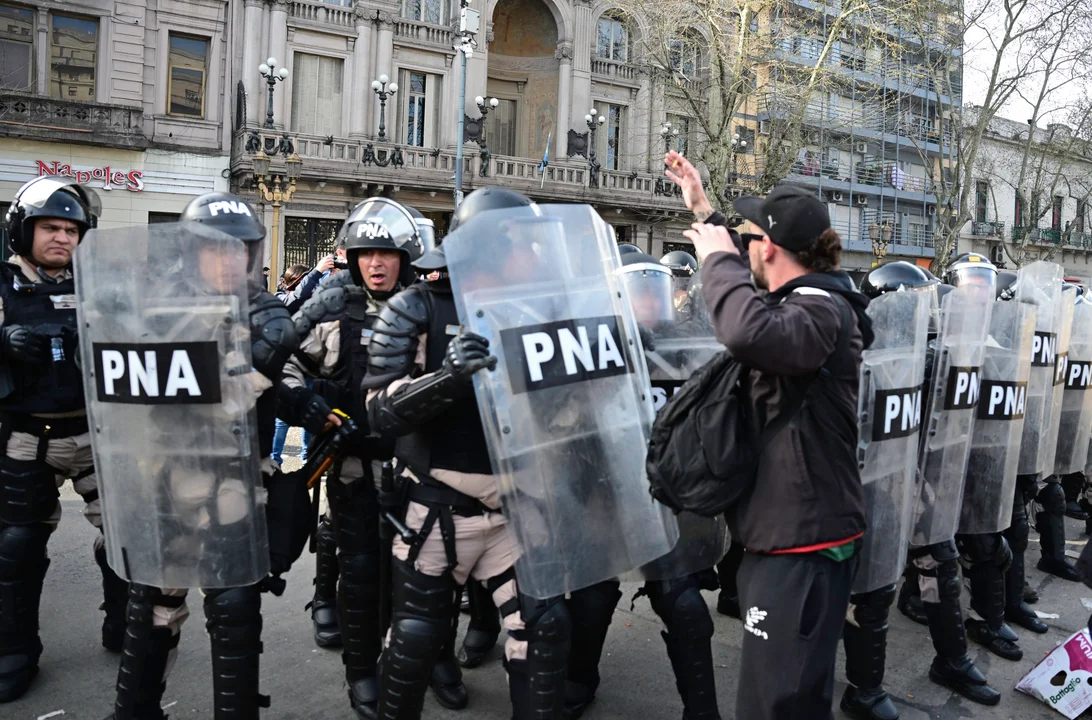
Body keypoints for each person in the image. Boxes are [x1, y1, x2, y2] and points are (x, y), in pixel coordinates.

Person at [103, 192, 340, 719]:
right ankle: (135, 711)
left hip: (236, 480)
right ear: (191, 253)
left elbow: (267, 379)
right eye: (215, 249)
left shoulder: (266, 311)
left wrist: (304, 402)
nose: (229, 259)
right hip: (166, 476)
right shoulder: (156, 303)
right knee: (154, 607)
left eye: (241, 250)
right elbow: (109, 366)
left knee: (234, 607)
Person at [363, 187, 570, 720]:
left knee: (544, 632)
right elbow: (380, 414)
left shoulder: (537, 307)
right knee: (413, 641)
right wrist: (448, 378)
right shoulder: (416, 306)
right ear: (489, 245)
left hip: (516, 507)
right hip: (435, 508)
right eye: (523, 242)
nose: (533, 254)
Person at [673, 161, 870, 717]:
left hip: (803, 544)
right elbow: (752, 300)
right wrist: (702, 209)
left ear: (773, 248)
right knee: (785, 696)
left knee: (776, 703)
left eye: (750, 236)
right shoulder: (811, 301)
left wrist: (713, 257)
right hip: (788, 536)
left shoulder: (821, 311)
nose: (742, 245)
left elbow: (745, 330)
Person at [286, 198, 469, 718]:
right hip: (354, 468)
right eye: (366, 253)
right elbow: (285, 366)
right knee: (363, 574)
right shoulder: (333, 310)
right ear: (352, 257)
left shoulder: (431, 307)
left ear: (406, 258)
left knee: (430, 578)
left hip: (421, 471)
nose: (376, 264)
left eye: (387, 254)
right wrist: (311, 406)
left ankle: (435, 659)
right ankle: (362, 670)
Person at [0, 176, 124, 702]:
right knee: (18, 547)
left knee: (128, 539)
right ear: (23, 231)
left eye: (71, 229)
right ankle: (14, 650)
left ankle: (126, 625)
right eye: (49, 227)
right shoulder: (2, 286)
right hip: (27, 436)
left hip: (96, 433)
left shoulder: (100, 282)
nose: (61, 238)